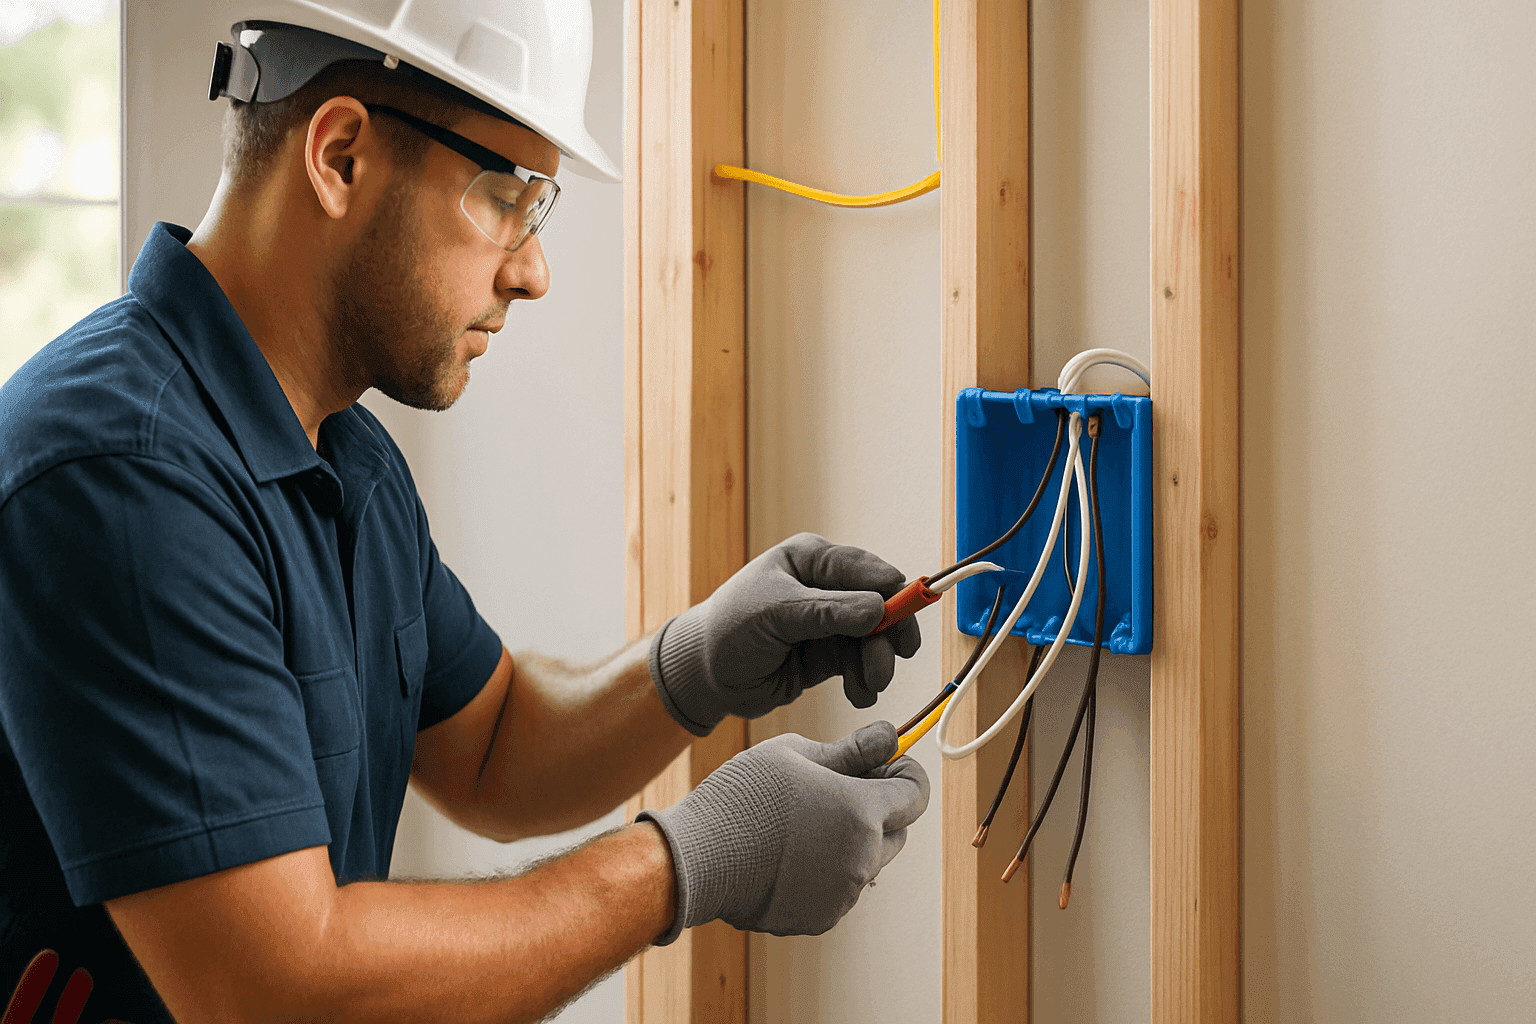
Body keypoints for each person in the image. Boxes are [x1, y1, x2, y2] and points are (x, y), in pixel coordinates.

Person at [0, 3, 931, 1022]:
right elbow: (277, 988)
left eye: (542, 211)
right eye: (505, 197)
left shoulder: (346, 455)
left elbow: (491, 747)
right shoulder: (119, 471)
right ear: (342, 155)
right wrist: (686, 862)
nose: (532, 271)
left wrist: (695, 663)